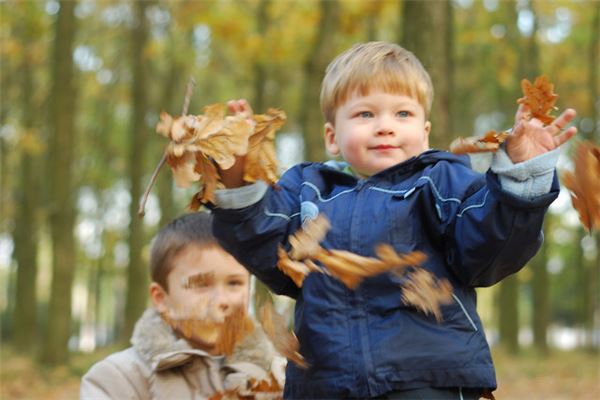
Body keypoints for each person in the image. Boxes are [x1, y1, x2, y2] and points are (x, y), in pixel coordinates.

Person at [211, 42, 577, 398]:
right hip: (325, 383)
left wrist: (520, 177)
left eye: (403, 114)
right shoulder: (305, 191)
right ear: (332, 137)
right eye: (365, 114)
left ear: (425, 132)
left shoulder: (442, 182)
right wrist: (236, 175)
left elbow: (488, 254)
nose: (385, 126)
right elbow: (265, 251)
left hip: (427, 380)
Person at [81, 212, 285, 399]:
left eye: (234, 283)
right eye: (201, 284)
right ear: (161, 299)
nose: (221, 300)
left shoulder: (278, 374)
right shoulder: (119, 378)